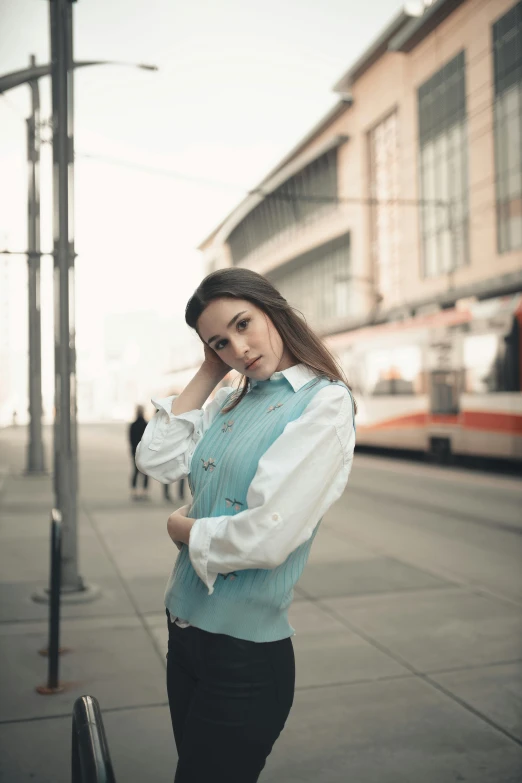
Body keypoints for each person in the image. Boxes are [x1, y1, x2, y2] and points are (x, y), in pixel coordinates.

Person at [135, 267, 356, 783]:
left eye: (243, 324)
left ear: (272, 309)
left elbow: (267, 537)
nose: (239, 348)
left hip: (244, 656)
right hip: (185, 635)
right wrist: (209, 372)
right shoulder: (231, 397)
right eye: (220, 342)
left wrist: (183, 530)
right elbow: (157, 458)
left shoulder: (324, 402)